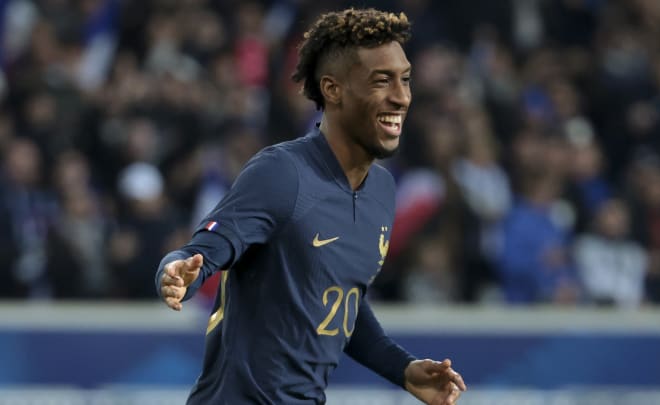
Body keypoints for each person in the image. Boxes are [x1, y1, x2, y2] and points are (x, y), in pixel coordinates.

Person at [155, 8, 466, 405]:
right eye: (381, 81)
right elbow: (207, 249)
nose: (401, 96)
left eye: (404, 79)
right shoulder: (283, 172)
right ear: (332, 89)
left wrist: (402, 369)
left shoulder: (382, 190)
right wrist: (179, 270)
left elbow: (338, 300)